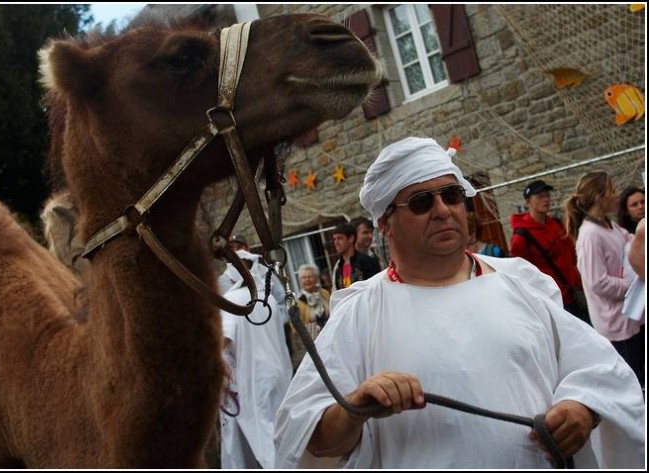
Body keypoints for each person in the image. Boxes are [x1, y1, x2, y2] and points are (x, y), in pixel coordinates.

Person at [274, 137, 644, 469]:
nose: (442, 210)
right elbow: (310, 438)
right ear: (385, 223)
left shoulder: (520, 282)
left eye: (452, 196)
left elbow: (598, 371)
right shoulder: (360, 312)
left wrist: (580, 409)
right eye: (421, 202)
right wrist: (354, 407)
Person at [564, 171, 644, 385]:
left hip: (632, 315)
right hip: (617, 324)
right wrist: (632, 285)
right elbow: (596, 282)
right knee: (636, 382)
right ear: (600, 197)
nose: (617, 195)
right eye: (612, 191)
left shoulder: (609, 224)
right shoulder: (589, 235)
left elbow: (629, 240)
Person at [219, 250, 292, 469]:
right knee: (280, 436)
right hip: (277, 376)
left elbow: (223, 339)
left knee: (259, 442)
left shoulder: (232, 301)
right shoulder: (267, 298)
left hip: (249, 381)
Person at [510, 179, 589, 324]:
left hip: (576, 292)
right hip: (555, 301)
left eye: (547, 195)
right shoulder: (521, 237)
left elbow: (571, 256)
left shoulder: (556, 224)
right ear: (528, 201)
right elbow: (522, 274)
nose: (546, 200)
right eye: (540, 196)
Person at [289, 264, 331, 371]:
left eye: (310, 277)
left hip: (330, 342)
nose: (307, 280)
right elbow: (295, 331)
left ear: (316, 278)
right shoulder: (296, 302)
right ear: (300, 281)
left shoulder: (325, 294)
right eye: (303, 278)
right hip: (311, 347)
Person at [331, 222, 381, 290]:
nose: (336, 242)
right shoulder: (338, 269)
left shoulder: (367, 261)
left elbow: (377, 288)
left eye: (340, 238)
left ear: (351, 238)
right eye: (334, 239)